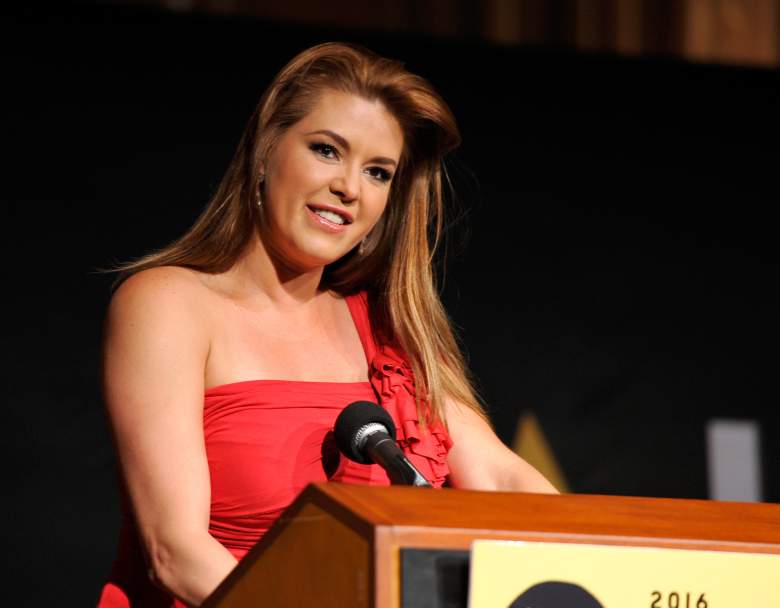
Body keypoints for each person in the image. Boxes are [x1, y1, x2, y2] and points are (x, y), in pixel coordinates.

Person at [97, 41, 557, 608]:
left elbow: (505, 482)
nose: (350, 188)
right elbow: (175, 551)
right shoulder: (168, 304)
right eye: (326, 150)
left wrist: (612, 562)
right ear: (265, 151)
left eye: (378, 172)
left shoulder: (389, 333)